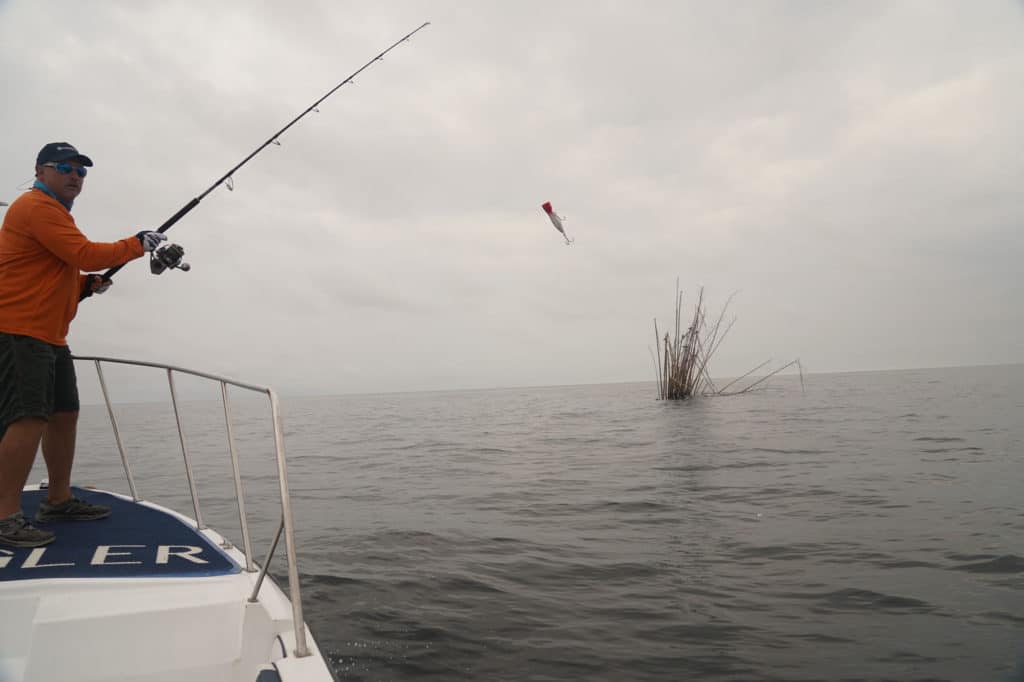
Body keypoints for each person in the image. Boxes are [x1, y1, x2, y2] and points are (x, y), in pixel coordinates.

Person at [0, 142, 167, 548]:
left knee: (63, 413)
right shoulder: (37, 208)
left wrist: (83, 285)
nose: (75, 176)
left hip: (49, 335)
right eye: (65, 168)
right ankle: (4, 516)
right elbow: (84, 253)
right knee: (28, 418)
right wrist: (137, 242)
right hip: (21, 331)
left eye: (81, 171)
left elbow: (56, 269)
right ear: (41, 171)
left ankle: (57, 500)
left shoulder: (55, 214)